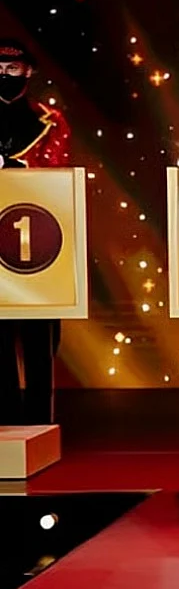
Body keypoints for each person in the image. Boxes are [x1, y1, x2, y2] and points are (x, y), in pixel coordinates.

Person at [0, 38, 71, 426]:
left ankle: (40, 427)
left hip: (38, 250)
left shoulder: (50, 120)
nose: (4, 75)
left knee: (40, 341)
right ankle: (6, 427)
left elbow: (57, 175)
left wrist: (15, 168)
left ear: (28, 71)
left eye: (12, 69)